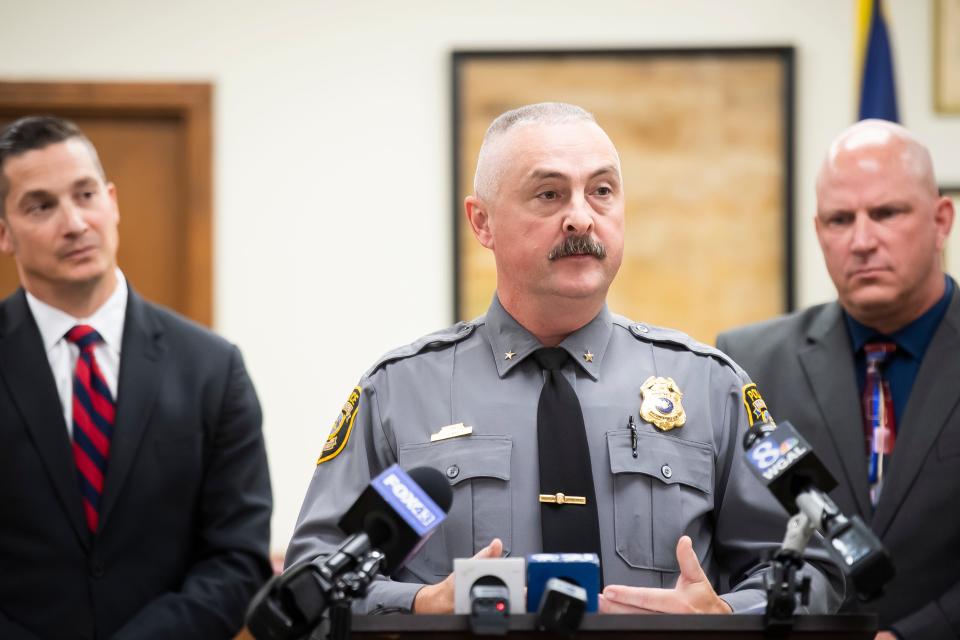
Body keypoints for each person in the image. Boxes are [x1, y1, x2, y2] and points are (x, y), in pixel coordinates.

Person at [286, 103, 841, 617]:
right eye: (549, 194)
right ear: (482, 222)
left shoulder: (710, 387)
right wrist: (419, 603)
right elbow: (312, 577)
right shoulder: (401, 393)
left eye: (601, 191)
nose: (581, 218)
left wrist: (724, 614)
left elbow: (816, 569)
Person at [0, 116, 273, 639]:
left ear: (113, 201)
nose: (74, 222)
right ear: (5, 234)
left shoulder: (213, 368)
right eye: (41, 206)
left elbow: (237, 559)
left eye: (85, 195)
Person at [717, 120, 957, 639]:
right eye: (839, 219)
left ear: (942, 220)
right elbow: (735, 541)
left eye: (887, 213)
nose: (862, 240)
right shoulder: (746, 362)